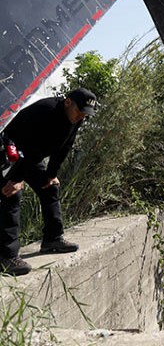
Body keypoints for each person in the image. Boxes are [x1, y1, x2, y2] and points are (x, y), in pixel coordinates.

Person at [0, 88, 98, 276]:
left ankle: (53, 239)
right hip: (8, 151)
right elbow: (30, 147)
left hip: (29, 156)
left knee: (50, 188)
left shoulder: (75, 118)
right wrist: (16, 179)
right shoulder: (47, 111)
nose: (81, 117)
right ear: (68, 102)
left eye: (86, 114)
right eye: (80, 112)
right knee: (12, 195)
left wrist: (51, 174)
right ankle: (6, 257)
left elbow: (64, 147)